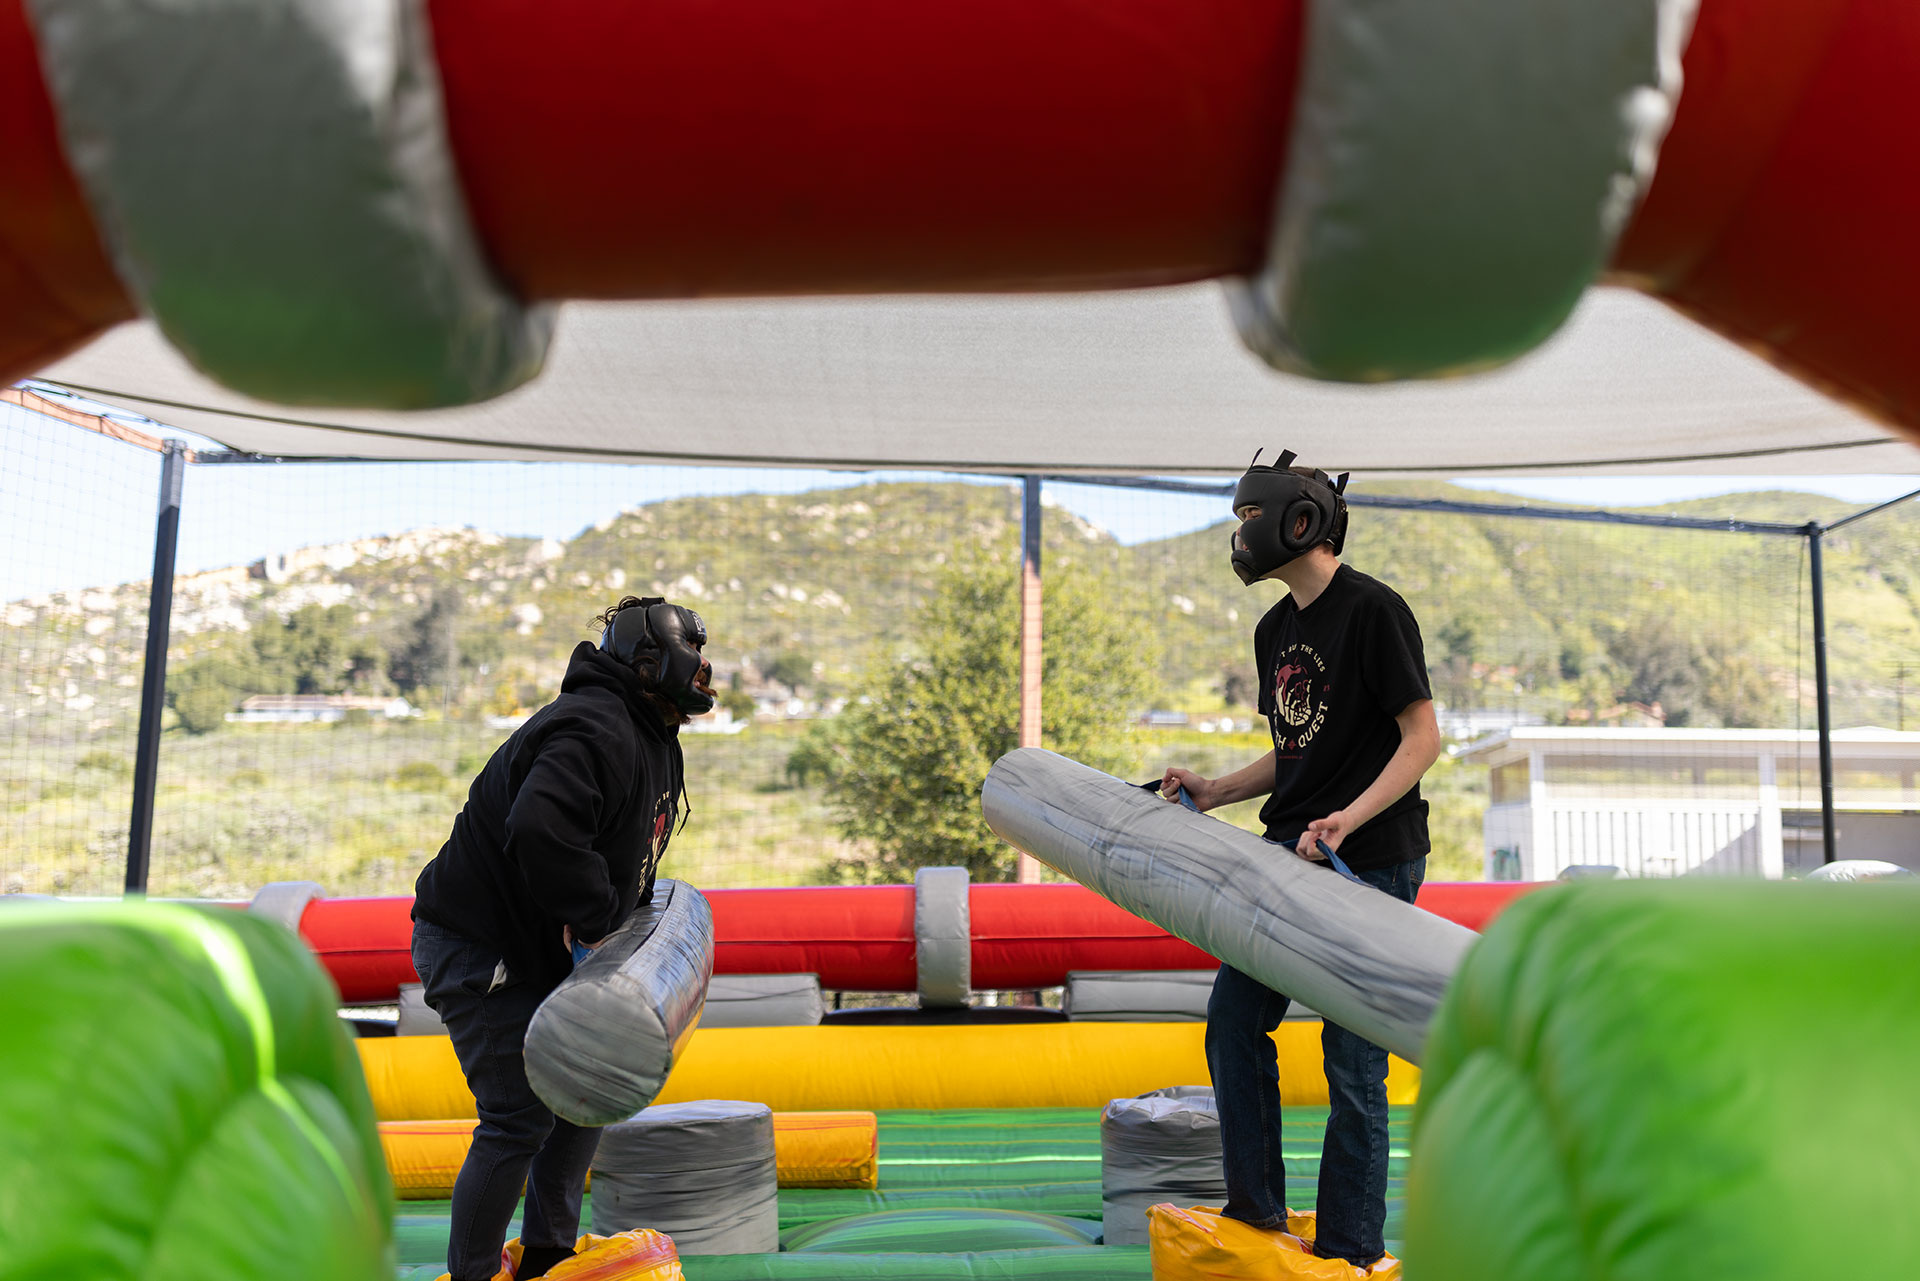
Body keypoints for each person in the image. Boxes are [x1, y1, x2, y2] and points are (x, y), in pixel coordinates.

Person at [1160, 451, 1440, 1269]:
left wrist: (1350, 817)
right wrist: (1215, 790)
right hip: (1286, 855)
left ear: (1301, 520)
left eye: (1251, 517)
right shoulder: (1273, 630)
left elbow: (1422, 738)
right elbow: (1295, 752)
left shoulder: (1374, 610)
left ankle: (1350, 1249)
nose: (1241, 534)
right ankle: (1258, 1212)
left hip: (1368, 859)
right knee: (1234, 1021)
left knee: (1353, 1060)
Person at [410, 595, 714, 1281]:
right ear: (648, 662)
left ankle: (548, 1256)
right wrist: (598, 919)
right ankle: (474, 1275)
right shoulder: (594, 727)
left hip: (533, 942)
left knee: (582, 1092)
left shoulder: (649, 732)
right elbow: (540, 827)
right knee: (516, 1118)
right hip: (481, 946)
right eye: (692, 651)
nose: (704, 667)